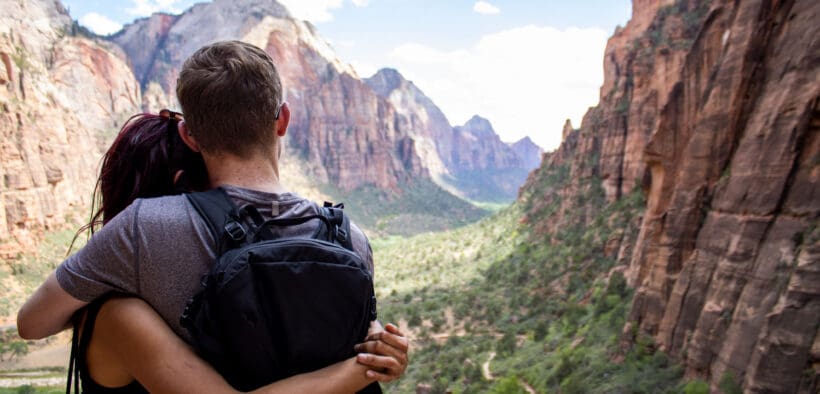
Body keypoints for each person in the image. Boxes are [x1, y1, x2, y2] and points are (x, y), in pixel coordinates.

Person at [17, 40, 408, 392]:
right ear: (283, 120)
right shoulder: (349, 239)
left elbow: (32, 324)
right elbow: (368, 349)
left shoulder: (144, 230)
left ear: (189, 136)